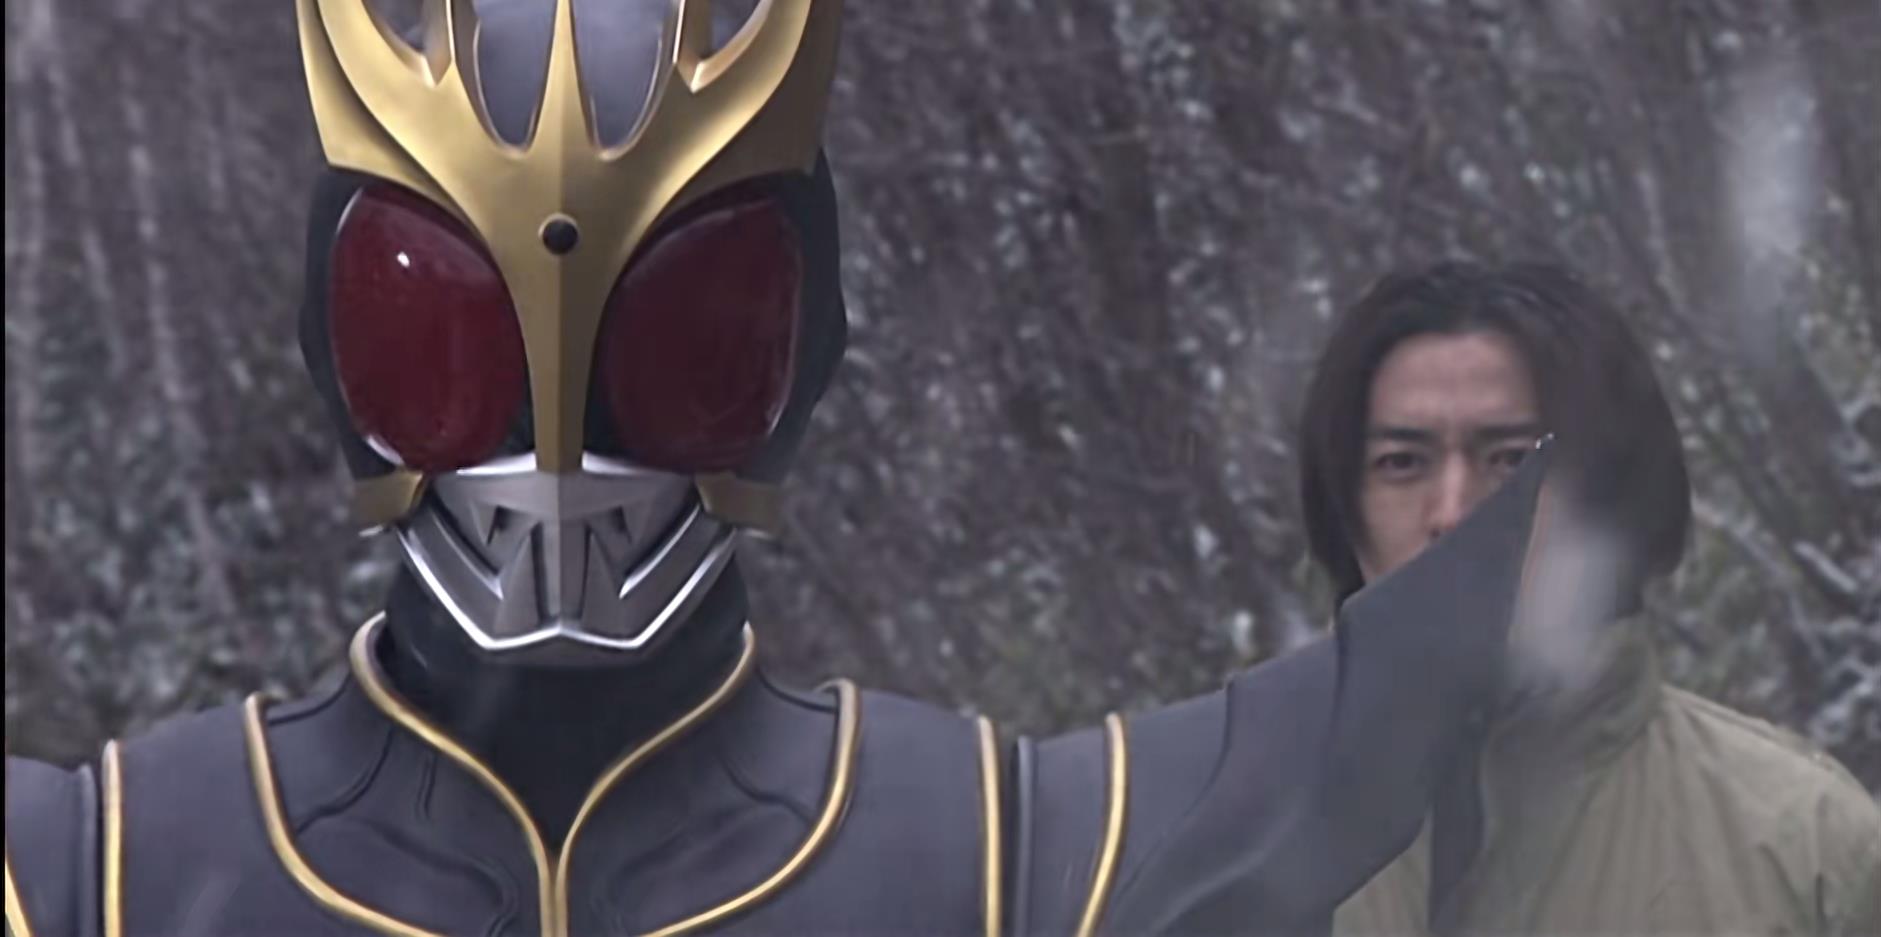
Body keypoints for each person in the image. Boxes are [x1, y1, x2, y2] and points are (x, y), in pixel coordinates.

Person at [6, 4, 1558, 935]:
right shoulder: (113, 869)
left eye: (686, 336)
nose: (562, 450)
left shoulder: (982, 849)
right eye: (448, 338)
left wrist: (1570, 497)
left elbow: (1354, 731)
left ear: (791, 344)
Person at [1291, 261, 1881, 936]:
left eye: (1512, 460)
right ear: (1344, 510)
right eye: (1402, 463)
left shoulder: (1805, 853)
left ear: (1610, 497)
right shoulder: (1229, 855)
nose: (1452, 513)